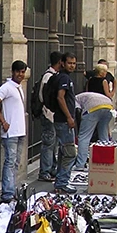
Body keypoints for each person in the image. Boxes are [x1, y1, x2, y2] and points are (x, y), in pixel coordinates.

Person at [0, 60, 28, 203]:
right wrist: (3, 121)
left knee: (15, 162)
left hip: (19, 131)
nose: (20, 74)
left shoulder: (18, 88)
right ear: (13, 72)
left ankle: (11, 190)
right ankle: (7, 194)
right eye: (18, 71)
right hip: (10, 132)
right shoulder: (6, 87)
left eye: (23, 72)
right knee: (10, 162)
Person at [52, 52, 79, 194]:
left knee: (64, 152)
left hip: (62, 120)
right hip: (64, 121)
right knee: (70, 153)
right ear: (62, 63)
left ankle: (60, 181)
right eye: (69, 63)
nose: (72, 66)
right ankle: (62, 182)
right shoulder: (63, 78)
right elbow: (60, 97)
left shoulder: (63, 77)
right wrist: (69, 117)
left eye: (74, 63)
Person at [36, 51, 62, 182]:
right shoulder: (48, 77)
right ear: (59, 62)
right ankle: (45, 171)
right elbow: (44, 96)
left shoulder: (53, 76)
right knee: (48, 143)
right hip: (48, 114)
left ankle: (51, 168)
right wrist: (51, 109)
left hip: (51, 114)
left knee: (53, 143)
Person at [74, 90, 115, 170]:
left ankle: (80, 165)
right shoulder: (86, 95)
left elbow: (77, 112)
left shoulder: (75, 99)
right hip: (109, 106)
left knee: (84, 137)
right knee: (103, 135)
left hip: (93, 108)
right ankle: (105, 161)